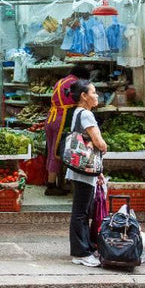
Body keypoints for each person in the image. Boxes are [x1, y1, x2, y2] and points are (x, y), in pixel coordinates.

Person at [65, 80, 107, 267]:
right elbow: (99, 142)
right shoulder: (87, 114)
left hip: (81, 168)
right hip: (84, 170)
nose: (96, 96)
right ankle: (80, 252)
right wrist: (105, 147)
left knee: (82, 210)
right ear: (84, 96)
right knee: (81, 212)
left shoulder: (76, 113)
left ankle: (85, 248)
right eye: (94, 92)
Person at [44, 65, 92, 196]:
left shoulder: (60, 81)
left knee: (51, 151)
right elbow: (83, 100)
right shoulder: (76, 84)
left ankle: (53, 181)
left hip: (50, 118)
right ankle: (51, 185)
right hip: (62, 119)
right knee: (57, 153)